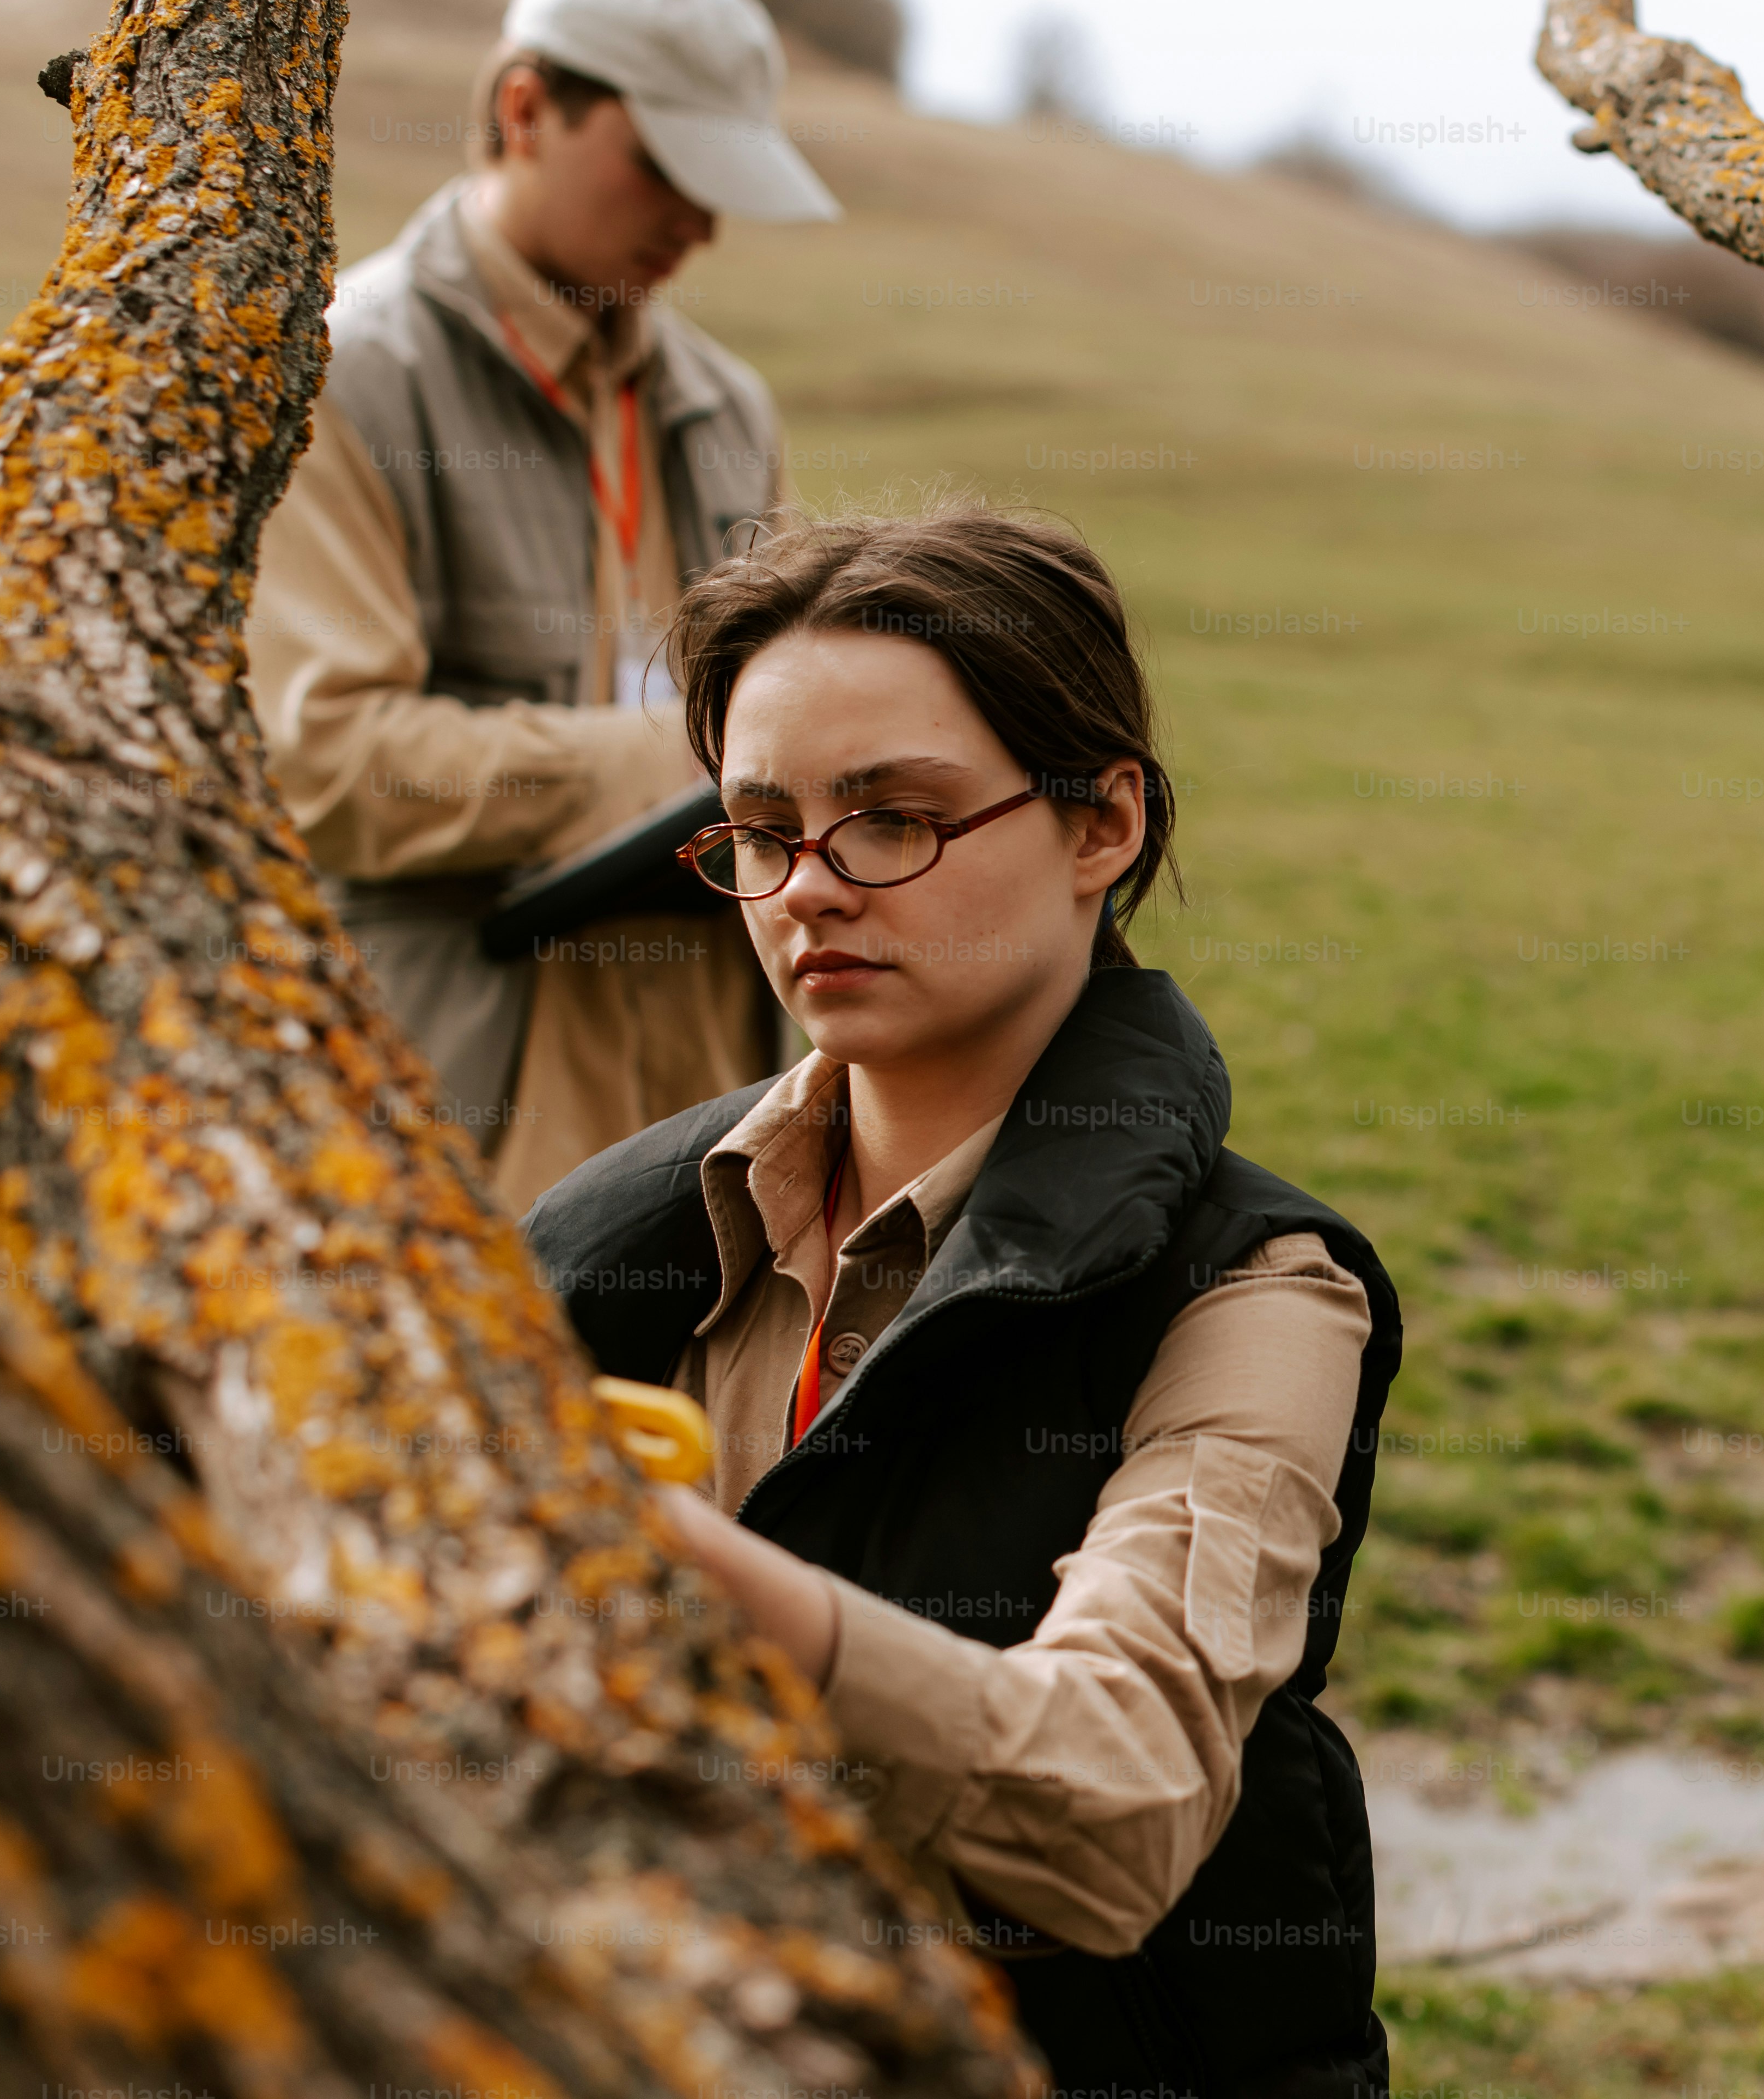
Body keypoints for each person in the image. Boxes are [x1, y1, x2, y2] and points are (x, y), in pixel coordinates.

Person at [524, 506, 1403, 2099]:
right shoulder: (600, 1239)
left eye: (893, 819)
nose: (809, 889)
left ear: (1101, 826)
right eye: (762, 828)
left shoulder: (1262, 1292)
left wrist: (651, 1550)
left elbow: (1114, 1813)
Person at [247, 0, 842, 1209]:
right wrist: (689, 767)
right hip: (453, 1097)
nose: (702, 219)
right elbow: (332, 766)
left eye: (720, 175)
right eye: (665, 166)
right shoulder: (343, 374)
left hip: (711, 1092)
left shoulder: (729, 403)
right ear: (525, 109)